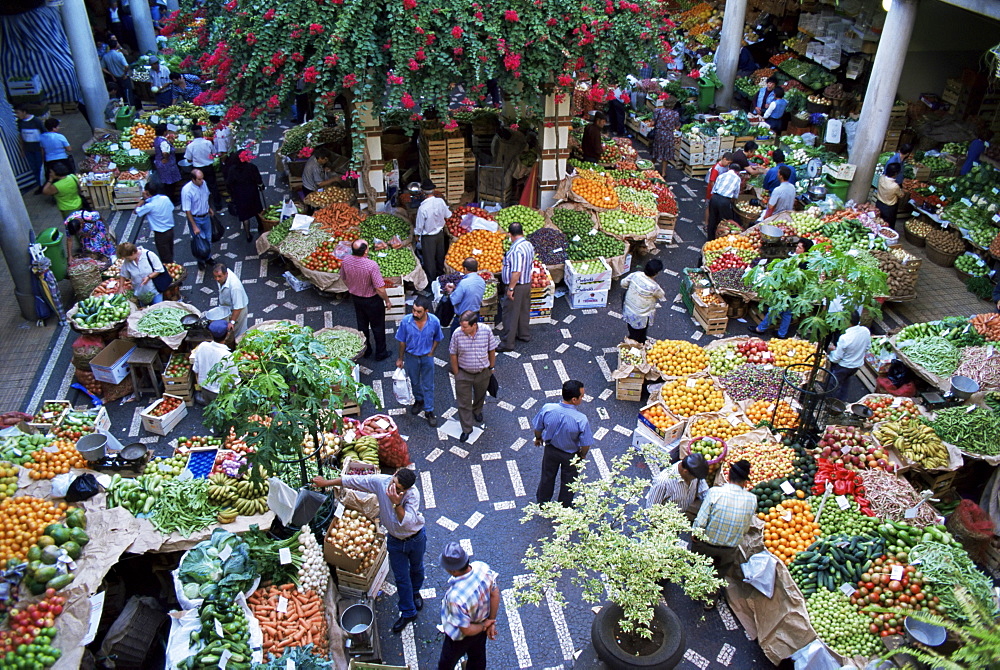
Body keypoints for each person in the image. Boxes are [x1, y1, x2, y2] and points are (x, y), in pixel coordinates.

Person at [311, 469, 426, 634]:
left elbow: (406, 523)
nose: (393, 488)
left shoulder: (412, 496)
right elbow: (355, 481)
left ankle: (415, 593)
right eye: (393, 482)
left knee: (417, 568)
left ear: (406, 490)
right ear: (393, 475)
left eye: (399, 488)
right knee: (401, 578)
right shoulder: (381, 482)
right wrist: (326, 483)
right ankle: (408, 612)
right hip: (395, 541)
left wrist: (397, 503)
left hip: (415, 538)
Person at [691, 459, 758, 610]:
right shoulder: (752, 499)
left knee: (699, 565)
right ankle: (710, 599)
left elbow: (701, 519)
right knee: (718, 573)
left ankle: (694, 586)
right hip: (729, 548)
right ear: (745, 482)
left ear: (728, 477)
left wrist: (695, 534)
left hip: (707, 544)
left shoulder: (715, 492)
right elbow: (746, 527)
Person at [436, 542, 500, 670]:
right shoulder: (482, 567)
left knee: (446, 663)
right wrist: (490, 622)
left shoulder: (455, 597)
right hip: (482, 625)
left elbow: (466, 629)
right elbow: (495, 594)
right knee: (478, 657)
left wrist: (483, 626)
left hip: (460, 637)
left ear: (452, 570)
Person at [532, 380, 593, 508]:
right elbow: (585, 443)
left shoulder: (547, 408)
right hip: (571, 454)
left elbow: (538, 428)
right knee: (569, 481)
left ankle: (543, 502)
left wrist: (538, 438)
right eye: (581, 396)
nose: (583, 398)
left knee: (547, 476)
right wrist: (582, 455)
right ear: (574, 399)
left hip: (551, 450)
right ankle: (565, 506)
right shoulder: (581, 419)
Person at [449, 311, 499, 443]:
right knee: (463, 402)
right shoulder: (457, 334)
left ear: (474, 325)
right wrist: (456, 372)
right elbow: (453, 354)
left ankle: (477, 410)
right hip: (463, 374)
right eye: (461, 325)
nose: (462, 328)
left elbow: (491, 350)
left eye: (465, 326)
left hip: (483, 372)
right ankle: (466, 429)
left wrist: (491, 367)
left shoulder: (486, 331)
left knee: (480, 395)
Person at [396, 296, 444, 427]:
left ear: (426, 311)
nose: (415, 314)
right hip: (411, 357)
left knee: (428, 385)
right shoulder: (406, 321)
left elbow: (438, 338)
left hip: (426, 357)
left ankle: (429, 410)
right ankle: (419, 400)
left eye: (419, 312)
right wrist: (400, 358)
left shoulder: (434, 321)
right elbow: (402, 341)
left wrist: (432, 351)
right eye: (414, 310)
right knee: (415, 381)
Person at [341, 240, 393, 361]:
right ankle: (381, 353)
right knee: (378, 326)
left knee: (362, 324)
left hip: (356, 298)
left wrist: (353, 288)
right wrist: (387, 300)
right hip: (372, 300)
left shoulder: (346, 260)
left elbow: (343, 278)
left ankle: (366, 349)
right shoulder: (371, 265)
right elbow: (379, 288)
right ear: (365, 251)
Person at [755, 238, 813, 337]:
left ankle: (760, 329)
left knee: (774, 309)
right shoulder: (800, 259)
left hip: (789, 291)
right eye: (797, 246)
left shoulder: (802, 263)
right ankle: (782, 333)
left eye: (799, 247)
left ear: (805, 250)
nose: (797, 249)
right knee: (787, 313)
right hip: (795, 292)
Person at [498, 222, 534, 352]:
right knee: (523, 310)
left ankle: (507, 343)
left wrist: (511, 288)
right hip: (526, 284)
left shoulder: (515, 250)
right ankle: (524, 334)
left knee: (510, 315)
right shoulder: (528, 245)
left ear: (510, 234)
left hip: (517, 286)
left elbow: (516, 272)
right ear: (522, 232)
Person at [643, 453, 710, 521]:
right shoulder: (662, 483)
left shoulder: (693, 472)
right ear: (685, 472)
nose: (696, 479)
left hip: (679, 517)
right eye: (694, 478)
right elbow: (651, 512)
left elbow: (704, 491)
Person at [827, 312, 871, 401]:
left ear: (848, 322)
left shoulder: (845, 338)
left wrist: (832, 351)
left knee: (834, 383)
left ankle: (830, 402)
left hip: (844, 366)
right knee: (845, 382)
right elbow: (867, 347)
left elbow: (836, 358)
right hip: (856, 365)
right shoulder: (865, 331)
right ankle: (842, 400)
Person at [414, 179, 451, 285]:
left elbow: (419, 226)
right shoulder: (440, 201)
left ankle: (432, 283)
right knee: (440, 257)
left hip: (428, 237)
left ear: (422, 192)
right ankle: (442, 279)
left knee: (429, 261)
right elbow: (448, 215)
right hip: (440, 234)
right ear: (433, 190)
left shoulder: (422, 208)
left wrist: (417, 235)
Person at [620, 259, 665, 344]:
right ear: (656, 273)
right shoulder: (654, 286)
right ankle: (634, 345)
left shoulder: (635, 275)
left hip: (629, 308)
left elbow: (623, 283)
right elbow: (661, 295)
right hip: (641, 315)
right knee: (639, 332)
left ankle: (640, 340)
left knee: (631, 327)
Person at [224, 151, 264, 242]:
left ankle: (248, 234)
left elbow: (229, 183)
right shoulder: (252, 167)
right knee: (257, 210)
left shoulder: (232, 170)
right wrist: (261, 185)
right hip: (252, 193)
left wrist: (232, 194)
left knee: (245, 216)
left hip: (240, 195)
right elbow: (258, 179)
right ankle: (261, 226)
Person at [190, 321, 233, 405]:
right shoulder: (228, 356)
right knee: (221, 410)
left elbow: (196, 369)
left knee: (211, 408)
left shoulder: (202, 346)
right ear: (227, 335)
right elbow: (235, 380)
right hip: (220, 392)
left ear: (211, 334)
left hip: (205, 388)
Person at [182, 168, 216, 270]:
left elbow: (206, 197)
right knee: (200, 241)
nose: (202, 181)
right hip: (196, 219)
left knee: (208, 239)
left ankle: (208, 257)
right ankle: (201, 260)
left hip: (205, 216)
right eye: (199, 179)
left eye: (202, 179)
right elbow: (187, 211)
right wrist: (194, 226)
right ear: (193, 179)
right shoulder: (187, 191)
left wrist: (209, 208)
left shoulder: (203, 184)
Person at [135, 182, 177, 263]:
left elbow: (136, 211)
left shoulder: (150, 205)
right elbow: (171, 208)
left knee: (165, 257)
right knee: (170, 252)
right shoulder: (165, 198)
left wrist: (143, 199)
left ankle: (169, 271)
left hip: (161, 234)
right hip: (170, 231)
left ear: (147, 192)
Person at [116, 241, 165, 306]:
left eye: (128, 257)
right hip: (140, 294)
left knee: (158, 309)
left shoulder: (149, 255)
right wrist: (121, 287)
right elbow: (123, 274)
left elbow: (159, 270)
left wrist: (149, 277)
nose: (127, 259)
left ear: (133, 253)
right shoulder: (127, 262)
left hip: (154, 291)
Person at [184, 127, 221, 210]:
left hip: (198, 169)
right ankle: (218, 205)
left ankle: (202, 206)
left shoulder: (190, 146)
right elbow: (214, 153)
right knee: (213, 186)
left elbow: (189, 159)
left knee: (199, 187)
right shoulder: (208, 143)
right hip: (209, 167)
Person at [445, 258, 486, 331]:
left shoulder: (463, 283)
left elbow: (454, 300)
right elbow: (471, 291)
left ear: (465, 269)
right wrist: (456, 288)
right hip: (475, 316)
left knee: (457, 340)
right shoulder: (481, 281)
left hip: (462, 318)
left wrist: (450, 292)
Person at [212, 263, 249, 338]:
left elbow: (238, 308)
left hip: (238, 310)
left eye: (219, 276)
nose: (217, 279)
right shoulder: (223, 278)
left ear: (226, 274)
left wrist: (232, 322)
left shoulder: (235, 287)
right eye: (215, 276)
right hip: (228, 307)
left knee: (238, 331)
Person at [14, 105, 44, 191]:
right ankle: (39, 185)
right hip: (28, 150)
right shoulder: (20, 122)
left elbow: (44, 134)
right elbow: (21, 136)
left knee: (40, 168)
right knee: (34, 168)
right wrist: (22, 150)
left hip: (38, 149)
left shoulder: (36, 121)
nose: (16, 115)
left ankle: (43, 185)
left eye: (18, 112)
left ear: (24, 112)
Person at [707, 166, 741, 240]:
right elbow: (736, 194)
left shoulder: (722, 175)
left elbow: (714, 188)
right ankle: (722, 238)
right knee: (726, 221)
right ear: (738, 172)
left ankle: (710, 238)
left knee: (712, 218)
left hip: (714, 198)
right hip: (724, 201)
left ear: (729, 169)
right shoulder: (737, 179)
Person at [153, 123, 183, 203]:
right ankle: (171, 199)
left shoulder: (157, 139)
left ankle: (170, 197)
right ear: (165, 132)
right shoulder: (163, 142)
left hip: (160, 164)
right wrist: (166, 158)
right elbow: (165, 152)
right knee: (170, 184)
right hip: (167, 165)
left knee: (167, 183)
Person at [100, 40, 132, 106]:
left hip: (115, 78)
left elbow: (103, 68)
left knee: (119, 95)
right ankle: (130, 107)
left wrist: (111, 75)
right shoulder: (119, 54)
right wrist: (125, 74)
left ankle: (122, 108)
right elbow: (126, 66)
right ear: (116, 45)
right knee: (128, 94)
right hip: (123, 77)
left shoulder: (106, 56)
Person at [651, 101, 681, 169]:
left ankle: (651, 166)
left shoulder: (658, 111)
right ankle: (664, 172)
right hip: (668, 135)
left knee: (656, 151)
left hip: (659, 134)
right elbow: (677, 127)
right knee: (665, 154)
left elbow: (652, 123)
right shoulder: (675, 114)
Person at [875, 162, 905, 230]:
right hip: (889, 208)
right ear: (896, 173)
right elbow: (901, 195)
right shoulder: (894, 186)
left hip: (879, 203)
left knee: (878, 221)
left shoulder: (881, 178)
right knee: (888, 226)